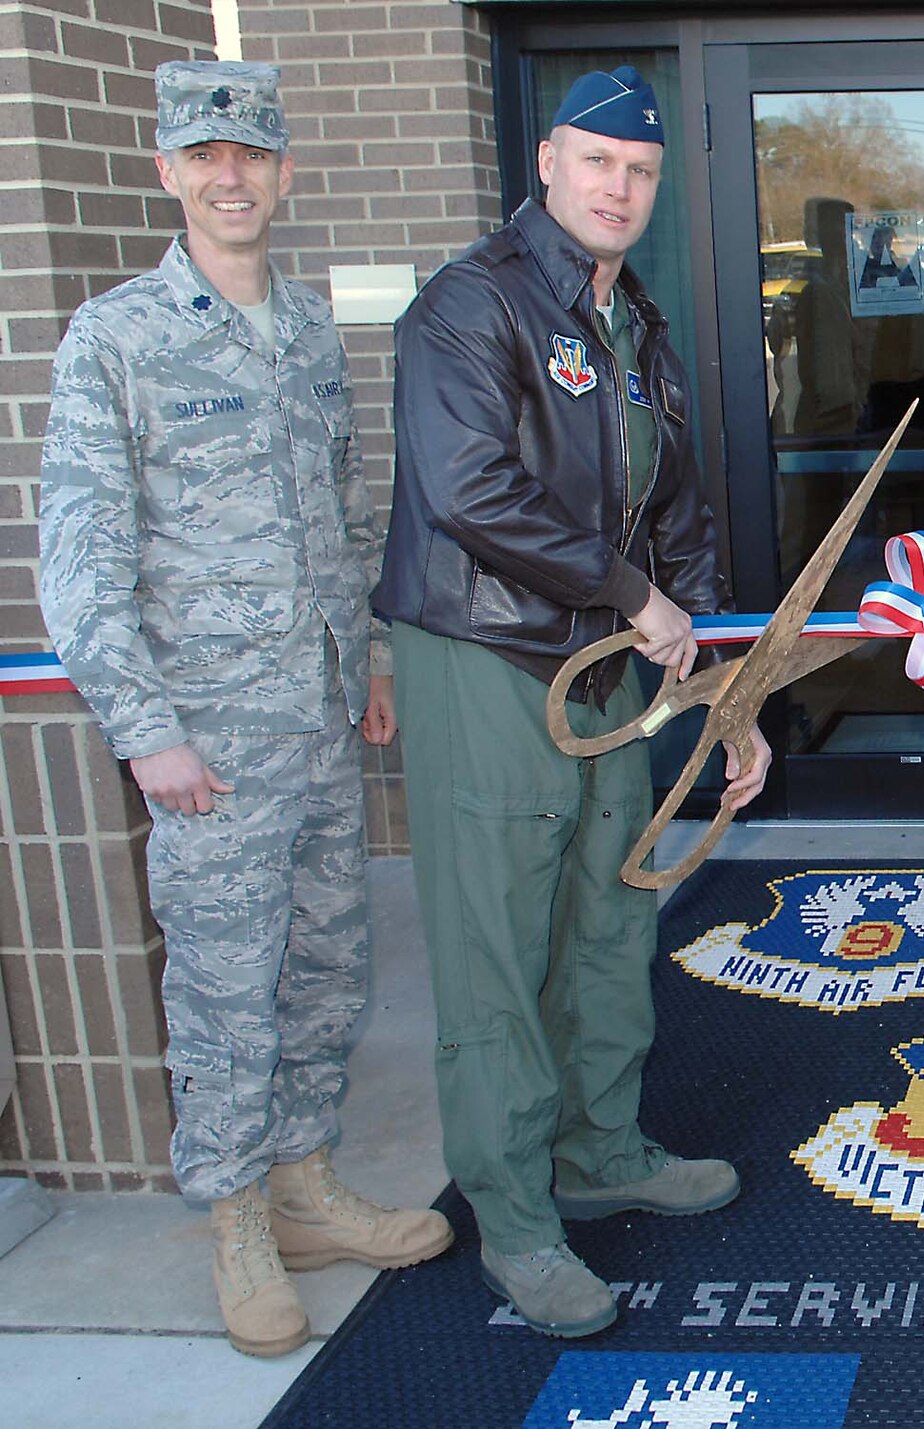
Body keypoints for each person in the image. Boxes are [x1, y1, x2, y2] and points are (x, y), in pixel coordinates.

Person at [37, 61, 452, 1359]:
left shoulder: (313, 329)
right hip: (204, 745)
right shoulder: (117, 338)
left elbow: (339, 518)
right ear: (168, 171)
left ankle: (307, 1183)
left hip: (320, 725)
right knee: (225, 988)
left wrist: (374, 660)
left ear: (283, 172)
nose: (232, 178)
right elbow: (79, 557)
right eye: (205, 156)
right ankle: (233, 1217)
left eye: (253, 156)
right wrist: (142, 726)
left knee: (328, 966)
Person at [377, 66, 770, 1339]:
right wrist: (629, 595)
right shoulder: (468, 303)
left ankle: (601, 1150)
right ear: (547, 163)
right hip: (487, 659)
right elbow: (470, 490)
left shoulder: (629, 320)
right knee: (497, 946)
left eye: (641, 171)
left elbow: (678, 520)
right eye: (598, 161)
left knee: (609, 913)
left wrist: (713, 683)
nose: (619, 187)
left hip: (604, 662)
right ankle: (516, 1216)